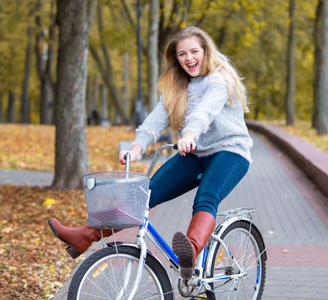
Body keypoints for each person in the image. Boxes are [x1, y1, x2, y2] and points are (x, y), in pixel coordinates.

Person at [48, 26, 252, 280]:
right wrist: (135, 149)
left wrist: (189, 135)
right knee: (141, 196)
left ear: (206, 52)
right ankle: (83, 237)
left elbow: (203, 114)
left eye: (194, 52)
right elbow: (155, 121)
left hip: (230, 152)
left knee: (207, 197)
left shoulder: (219, 80)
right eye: (182, 54)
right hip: (196, 154)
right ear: (175, 59)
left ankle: (189, 251)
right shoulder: (177, 87)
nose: (189, 58)